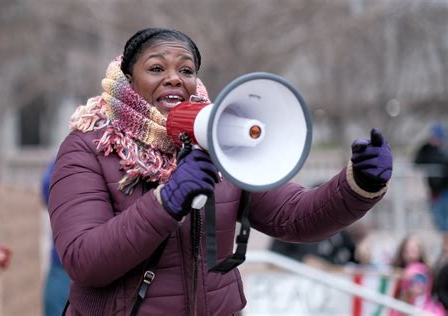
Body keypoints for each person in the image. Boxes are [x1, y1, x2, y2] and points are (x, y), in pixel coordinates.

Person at [48, 27, 393, 315]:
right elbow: (84, 259)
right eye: (155, 68)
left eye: (186, 70)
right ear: (128, 79)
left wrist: (357, 184)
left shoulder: (220, 143)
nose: (174, 79)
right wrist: (165, 202)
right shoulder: (90, 147)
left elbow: (295, 216)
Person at [414, 123, 448, 263]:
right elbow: (417, 162)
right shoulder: (429, 150)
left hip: (445, 192)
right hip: (435, 193)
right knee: (440, 225)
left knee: (444, 225)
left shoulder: (444, 151)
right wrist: (427, 146)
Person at [41, 160, 70, 316]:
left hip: (64, 262)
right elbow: (46, 188)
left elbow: (46, 188)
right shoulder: (67, 155)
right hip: (62, 263)